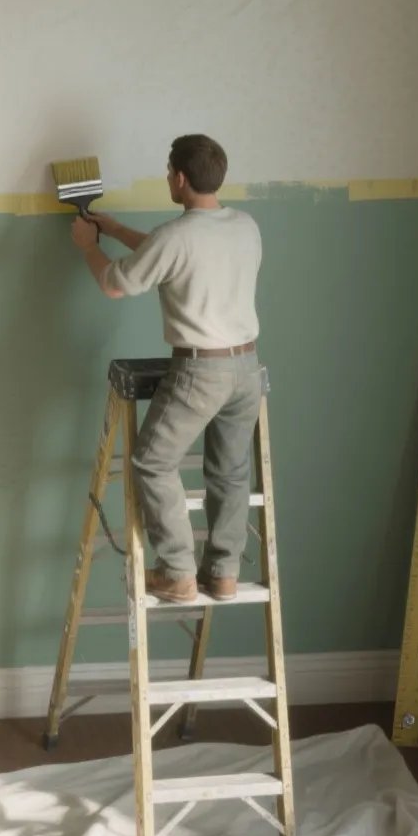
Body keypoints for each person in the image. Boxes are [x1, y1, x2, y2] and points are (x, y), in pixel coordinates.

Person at [69, 134, 264, 604]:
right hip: (247, 368)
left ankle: (176, 570)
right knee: (230, 472)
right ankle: (222, 573)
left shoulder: (175, 237)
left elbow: (117, 284)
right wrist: (114, 230)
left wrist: (87, 247)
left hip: (201, 373)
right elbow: (173, 257)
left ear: (179, 177)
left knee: (152, 461)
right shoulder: (244, 226)